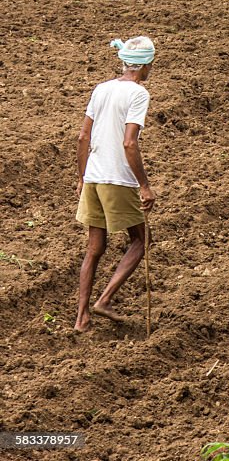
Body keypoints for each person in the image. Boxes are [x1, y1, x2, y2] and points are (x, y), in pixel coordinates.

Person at [74, 36, 158, 333]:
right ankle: (105, 300)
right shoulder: (138, 93)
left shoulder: (102, 89)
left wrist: (83, 177)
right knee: (141, 240)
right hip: (116, 179)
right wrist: (144, 186)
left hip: (94, 177)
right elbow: (129, 143)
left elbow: (83, 137)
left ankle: (82, 317)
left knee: (94, 248)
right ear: (146, 65)